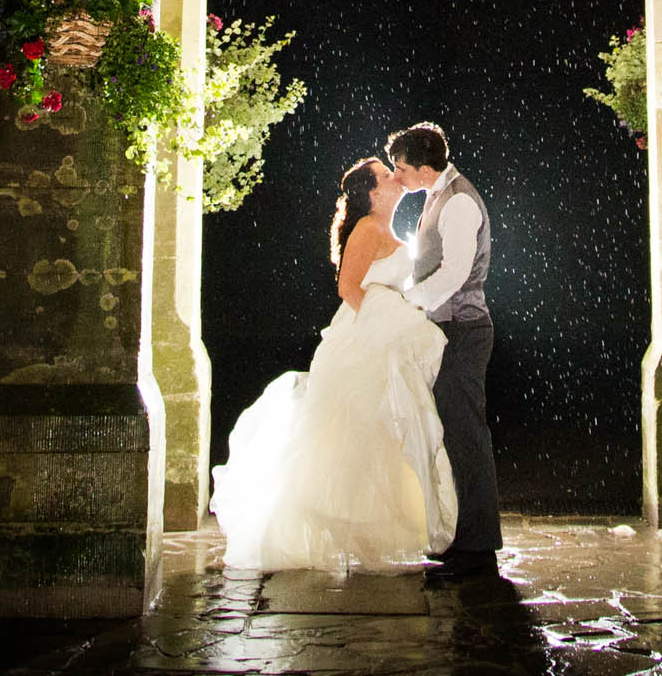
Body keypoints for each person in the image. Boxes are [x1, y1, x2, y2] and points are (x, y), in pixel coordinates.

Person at [208, 158, 458, 573]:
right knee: (348, 434)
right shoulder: (366, 229)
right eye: (385, 174)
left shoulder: (389, 229)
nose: (394, 177)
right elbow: (348, 287)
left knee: (379, 436)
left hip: (384, 341)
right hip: (362, 341)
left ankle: (373, 531)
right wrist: (383, 324)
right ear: (373, 192)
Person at [387, 121, 500, 578]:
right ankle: (460, 541)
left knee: (466, 435)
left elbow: (454, 274)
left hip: (466, 331)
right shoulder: (438, 196)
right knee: (450, 434)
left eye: (400, 168)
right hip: (448, 330)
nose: (397, 177)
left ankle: (478, 552)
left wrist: (408, 303)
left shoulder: (458, 202)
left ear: (422, 166)